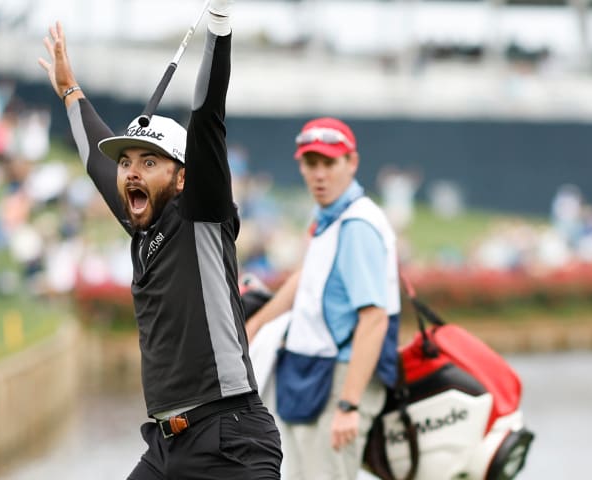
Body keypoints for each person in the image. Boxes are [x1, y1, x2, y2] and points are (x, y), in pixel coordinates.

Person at [38, 3, 283, 478]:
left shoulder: (202, 215)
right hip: (165, 449)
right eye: (128, 161)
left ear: (184, 178)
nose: (132, 170)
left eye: (150, 163)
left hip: (229, 441)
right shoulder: (143, 228)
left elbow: (207, 114)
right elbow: (96, 159)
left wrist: (218, 24)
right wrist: (71, 91)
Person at [245, 118, 401, 480]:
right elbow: (307, 278)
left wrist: (349, 404)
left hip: (341, 376)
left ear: (352, 163)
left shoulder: (357, 226)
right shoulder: (327, 217)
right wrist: (256, 324)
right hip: (312, 371)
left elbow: (374, 319)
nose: (319, 174)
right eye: (311, 164)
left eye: (329, 163)